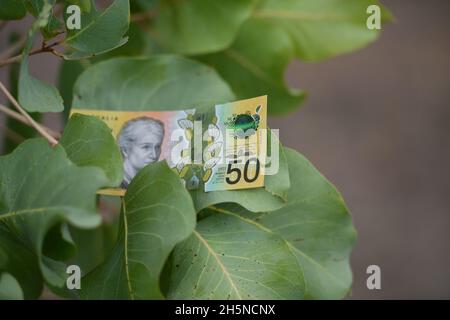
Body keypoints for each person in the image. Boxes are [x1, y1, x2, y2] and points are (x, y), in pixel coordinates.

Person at [118, 116, 165, 188]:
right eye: (146, 147)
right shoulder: (113, 184)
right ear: (125, 150)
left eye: (157, 147)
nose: (154, 155)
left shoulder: (157, 183)